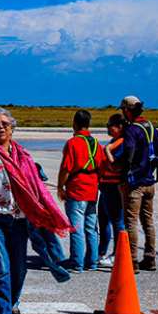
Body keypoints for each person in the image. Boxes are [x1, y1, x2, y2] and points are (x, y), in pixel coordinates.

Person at [0, 77, 72, 314]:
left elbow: (35, 190)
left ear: (12, 129)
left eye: (4, 124)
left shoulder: (23, 156)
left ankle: (13, 302)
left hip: (19, 220)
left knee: (19, 267)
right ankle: (3, 312)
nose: (0, 127)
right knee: (1, 265)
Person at [118, 96, 158, 272]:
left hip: (135, 182)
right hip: (150, 180)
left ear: (128, 110)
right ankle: (150, 258)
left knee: (130, 222)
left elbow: (129, 152)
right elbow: (157, 153)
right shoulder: (152, 128)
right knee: (148, 221)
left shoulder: (132, 130)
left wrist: (123, 175)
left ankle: (132, 260)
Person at [57, 110, 102, 273]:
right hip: (92, 190)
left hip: (77, 189)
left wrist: (60, 186)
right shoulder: (97, 143)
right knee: (91, 227)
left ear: (74, 123)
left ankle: (77, 262)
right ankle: (93, 261)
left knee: (77, 227)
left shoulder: (73, 143)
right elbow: (102, 166)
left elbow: (66, 168)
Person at [97, 113, 126, 268]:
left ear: (119, 127)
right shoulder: (115, 141)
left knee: (117, 222)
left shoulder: (121, 142)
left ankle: (118, 254)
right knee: (103, 220)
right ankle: (101, 252)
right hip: (106, 186)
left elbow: (116, 164)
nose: (107, 128)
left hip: (114, 187)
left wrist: (107, 150)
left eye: (110, 125)